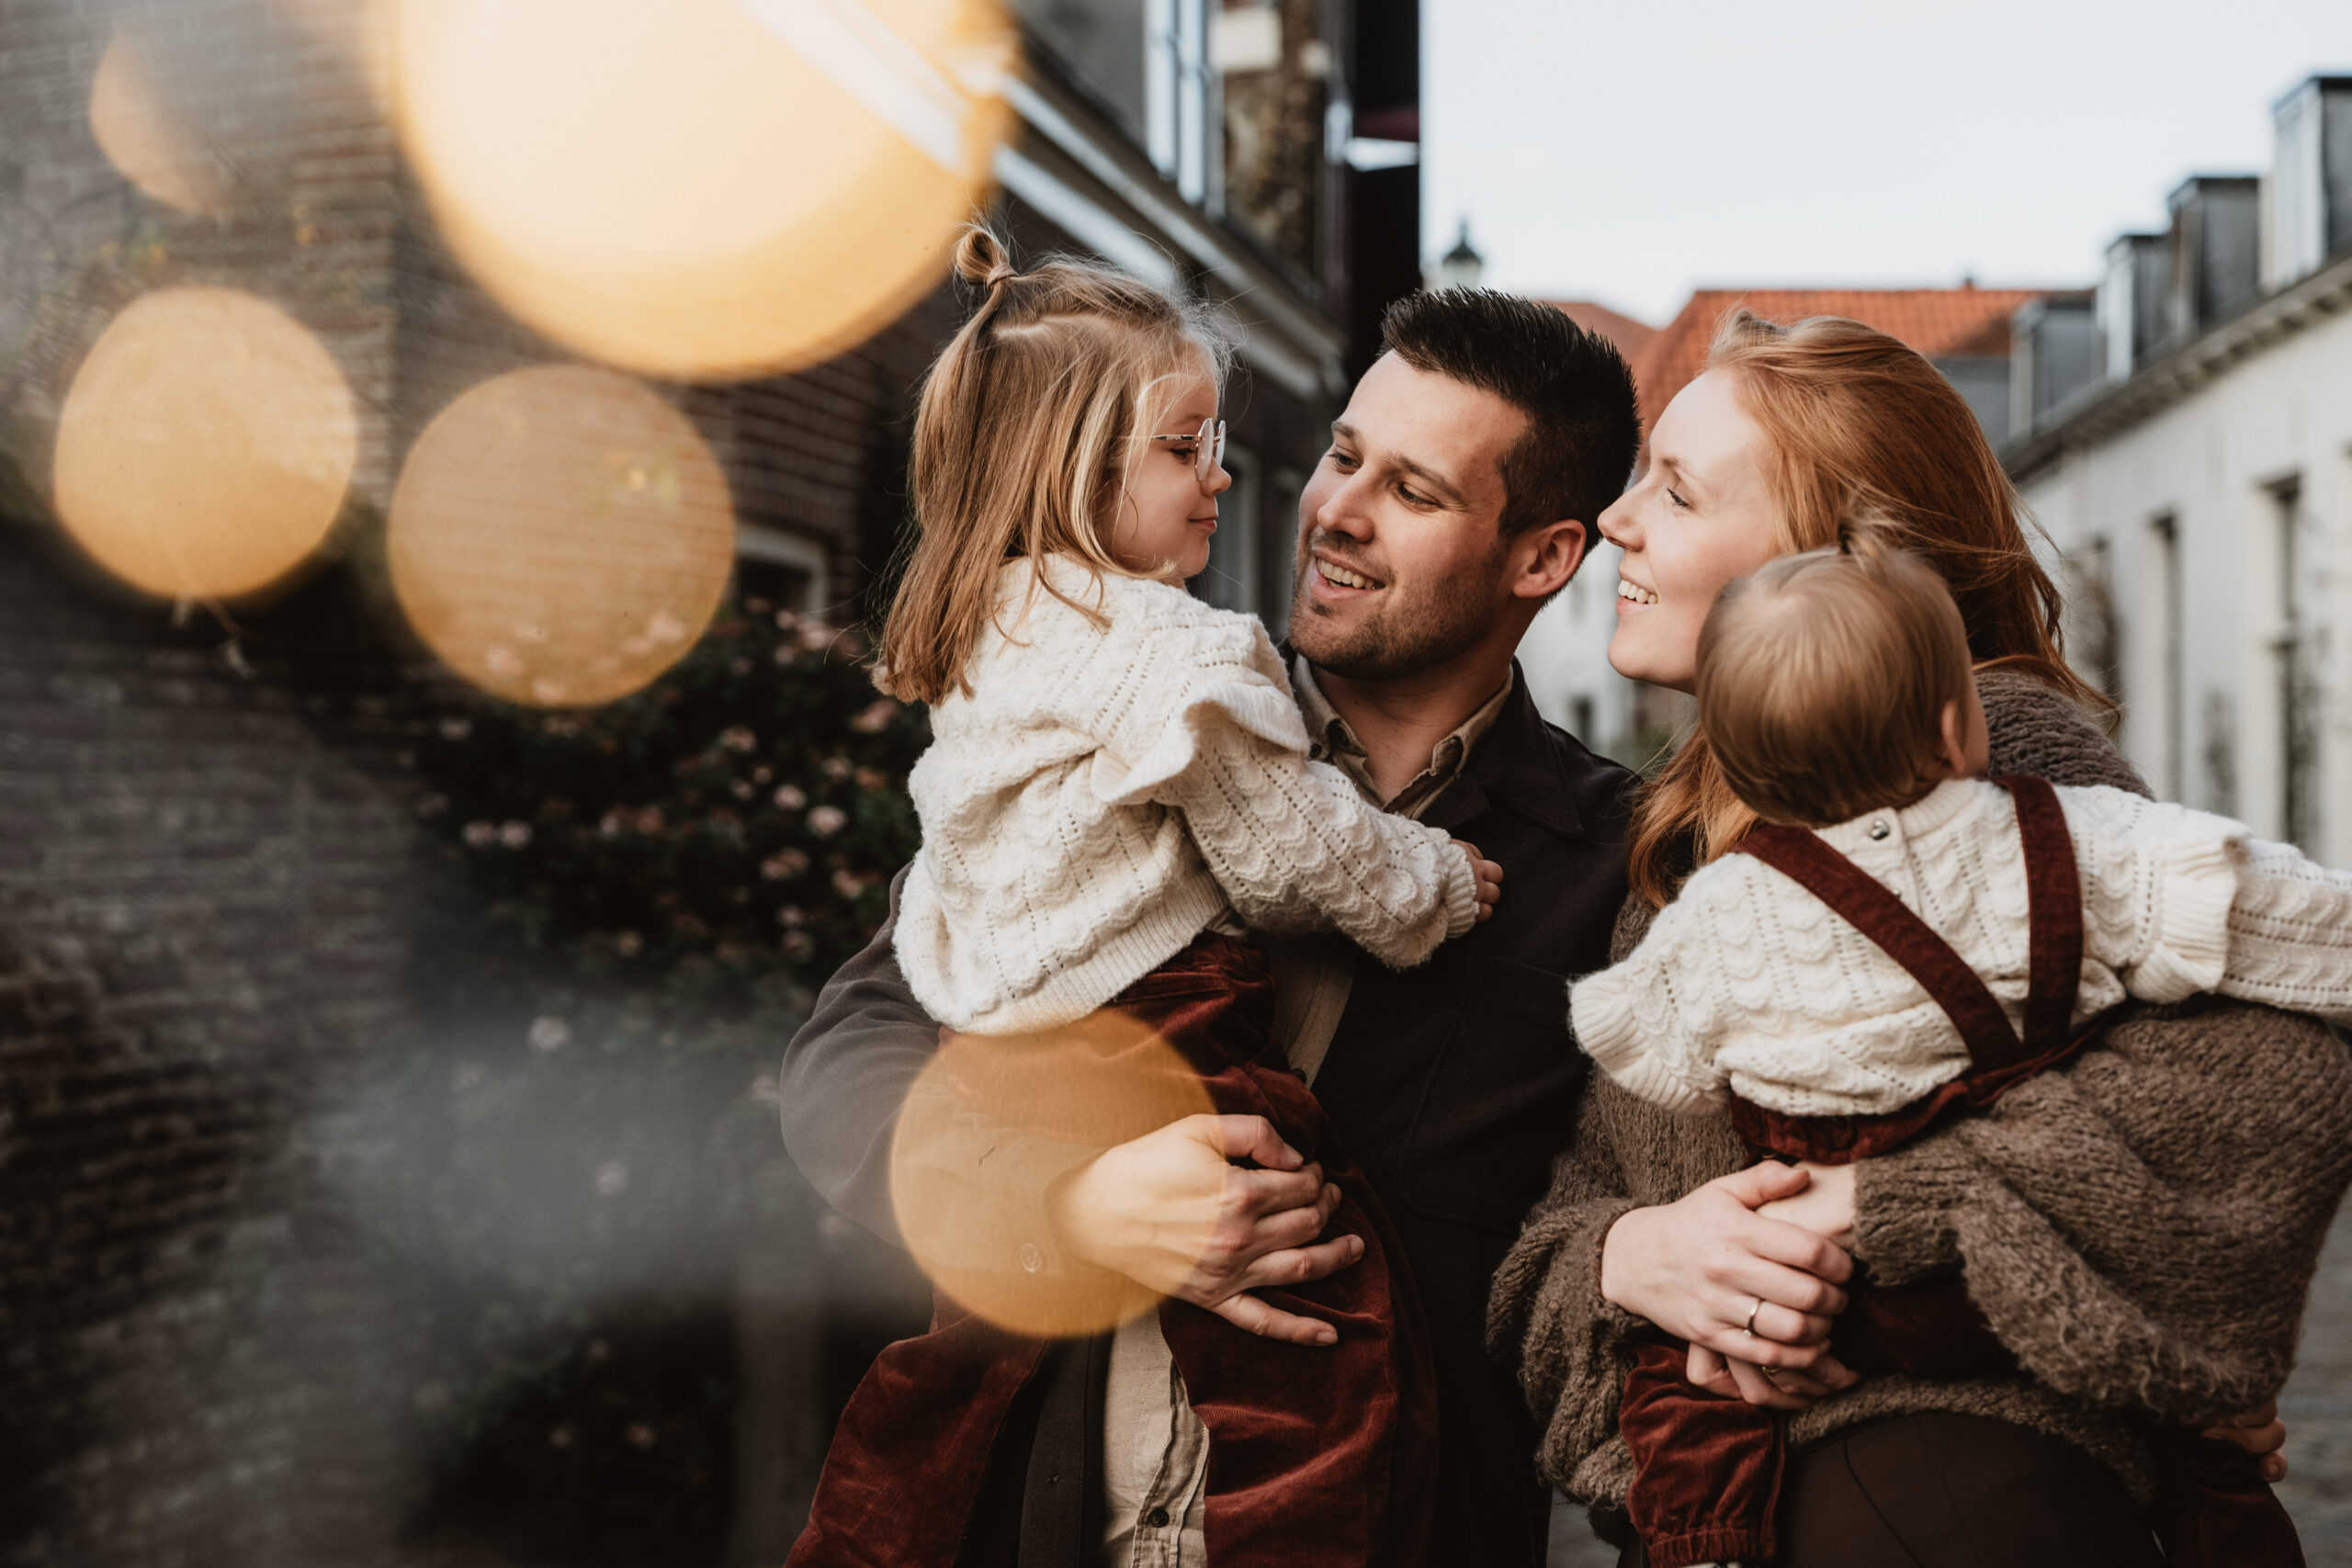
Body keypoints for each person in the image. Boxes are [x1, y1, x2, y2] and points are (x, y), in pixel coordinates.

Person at [779, 284, 1644, 1565]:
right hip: (1043, 1522)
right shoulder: (1099, 744)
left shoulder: (1617, 864)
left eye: (1413, 492)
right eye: (1345, 456)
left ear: (1541, 558)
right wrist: (1070, 1205)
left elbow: (1615, 1225)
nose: (1334, 510)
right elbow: (840, 1077)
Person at [1487, 309, 2345, 1568]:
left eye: (1674, 489)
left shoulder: (1998, 775)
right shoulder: (1690, 829)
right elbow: (1595, 1185)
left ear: (1837, 555)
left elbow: (2268, 1080)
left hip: (1953, 1501)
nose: (1618, 520)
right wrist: (1639, 1254)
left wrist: (1884, 1203)